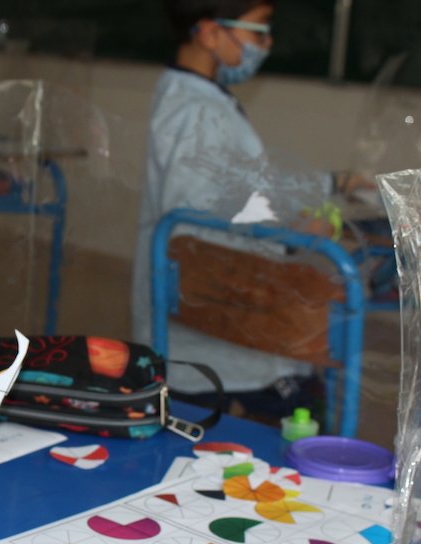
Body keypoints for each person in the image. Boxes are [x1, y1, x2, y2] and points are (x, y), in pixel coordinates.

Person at [131, 0, 371, 420]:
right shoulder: (197, 112)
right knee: (300, 414)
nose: (267, 42)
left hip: (210, 322)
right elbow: (196, 226)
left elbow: (235, 186)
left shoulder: (196, 98)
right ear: (210, 33)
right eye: (258, 31)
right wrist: (290, 234)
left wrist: (333, 184)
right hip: (212, 330)